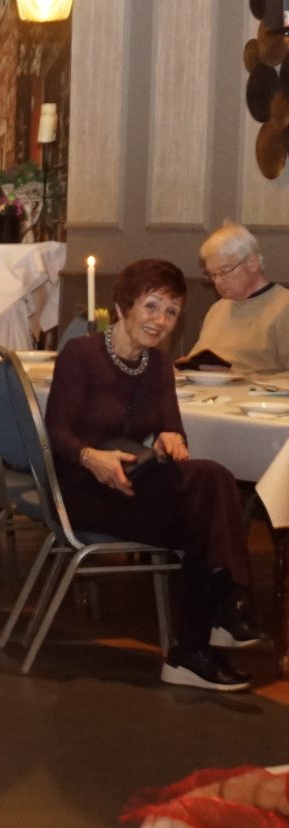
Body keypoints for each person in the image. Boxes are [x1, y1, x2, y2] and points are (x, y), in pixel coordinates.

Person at [46, 257, 261, 691]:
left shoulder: (159, 364)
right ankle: (213, 625)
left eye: (171, 311)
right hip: (82, 489)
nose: (160, 320)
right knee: (206, 507)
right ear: (123, 306)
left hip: (131, 484)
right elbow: (56, 431)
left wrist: (170, 437)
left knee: (210, 488)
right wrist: (91, 457)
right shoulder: (81, 355)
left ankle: (199, 641)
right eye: (151, 306)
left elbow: (172, 427)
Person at [180, 222, 289, 371]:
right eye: (212, 275)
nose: (218, 281)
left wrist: (235, 377)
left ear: (252, 263)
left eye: (224, 271)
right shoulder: (218, 309)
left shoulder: (283, 307)